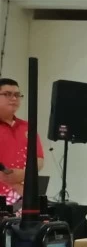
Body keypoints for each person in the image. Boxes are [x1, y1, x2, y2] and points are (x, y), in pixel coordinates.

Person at [0, 77, 44, 211]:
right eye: (7, 94)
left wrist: (22, 175)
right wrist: (7, 179)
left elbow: (39, 160)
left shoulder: (27, 127)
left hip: (22, 197)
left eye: (17, 95)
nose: (14, 98)